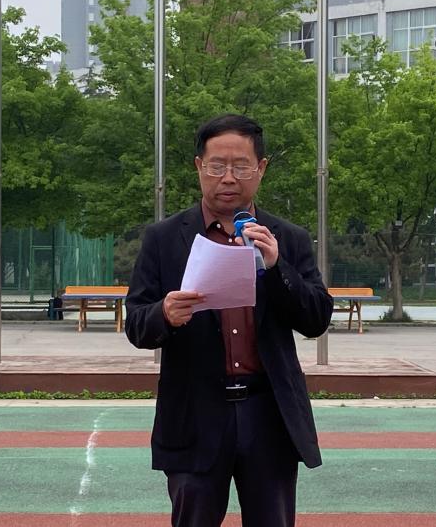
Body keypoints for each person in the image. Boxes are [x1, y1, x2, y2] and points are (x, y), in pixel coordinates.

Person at [126, 114, 333, 527]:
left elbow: (316, 319)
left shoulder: (287, 237)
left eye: (241, 166)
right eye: (217, 165)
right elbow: (136, 323)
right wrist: (164, 313)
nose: (228, 178)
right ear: (198, 166)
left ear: (261, 168)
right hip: (195, 414)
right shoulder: (164, 238)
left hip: (268, 414)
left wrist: (276, 267)